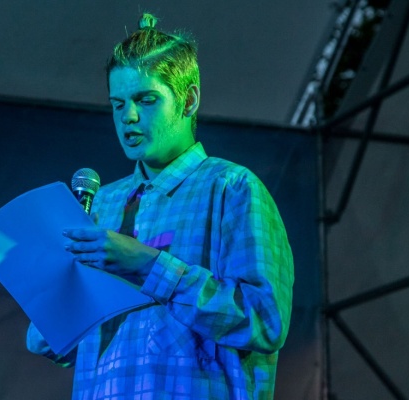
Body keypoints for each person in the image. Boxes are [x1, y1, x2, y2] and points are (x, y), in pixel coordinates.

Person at [27, 13, 294, 400]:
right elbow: (55, 346)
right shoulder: (102, 204)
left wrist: (149, 265)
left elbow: (265, 321)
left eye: (146, 99)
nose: (129, 117)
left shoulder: (233, 188)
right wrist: (50, 288)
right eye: (118, 104)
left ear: (189, 100)